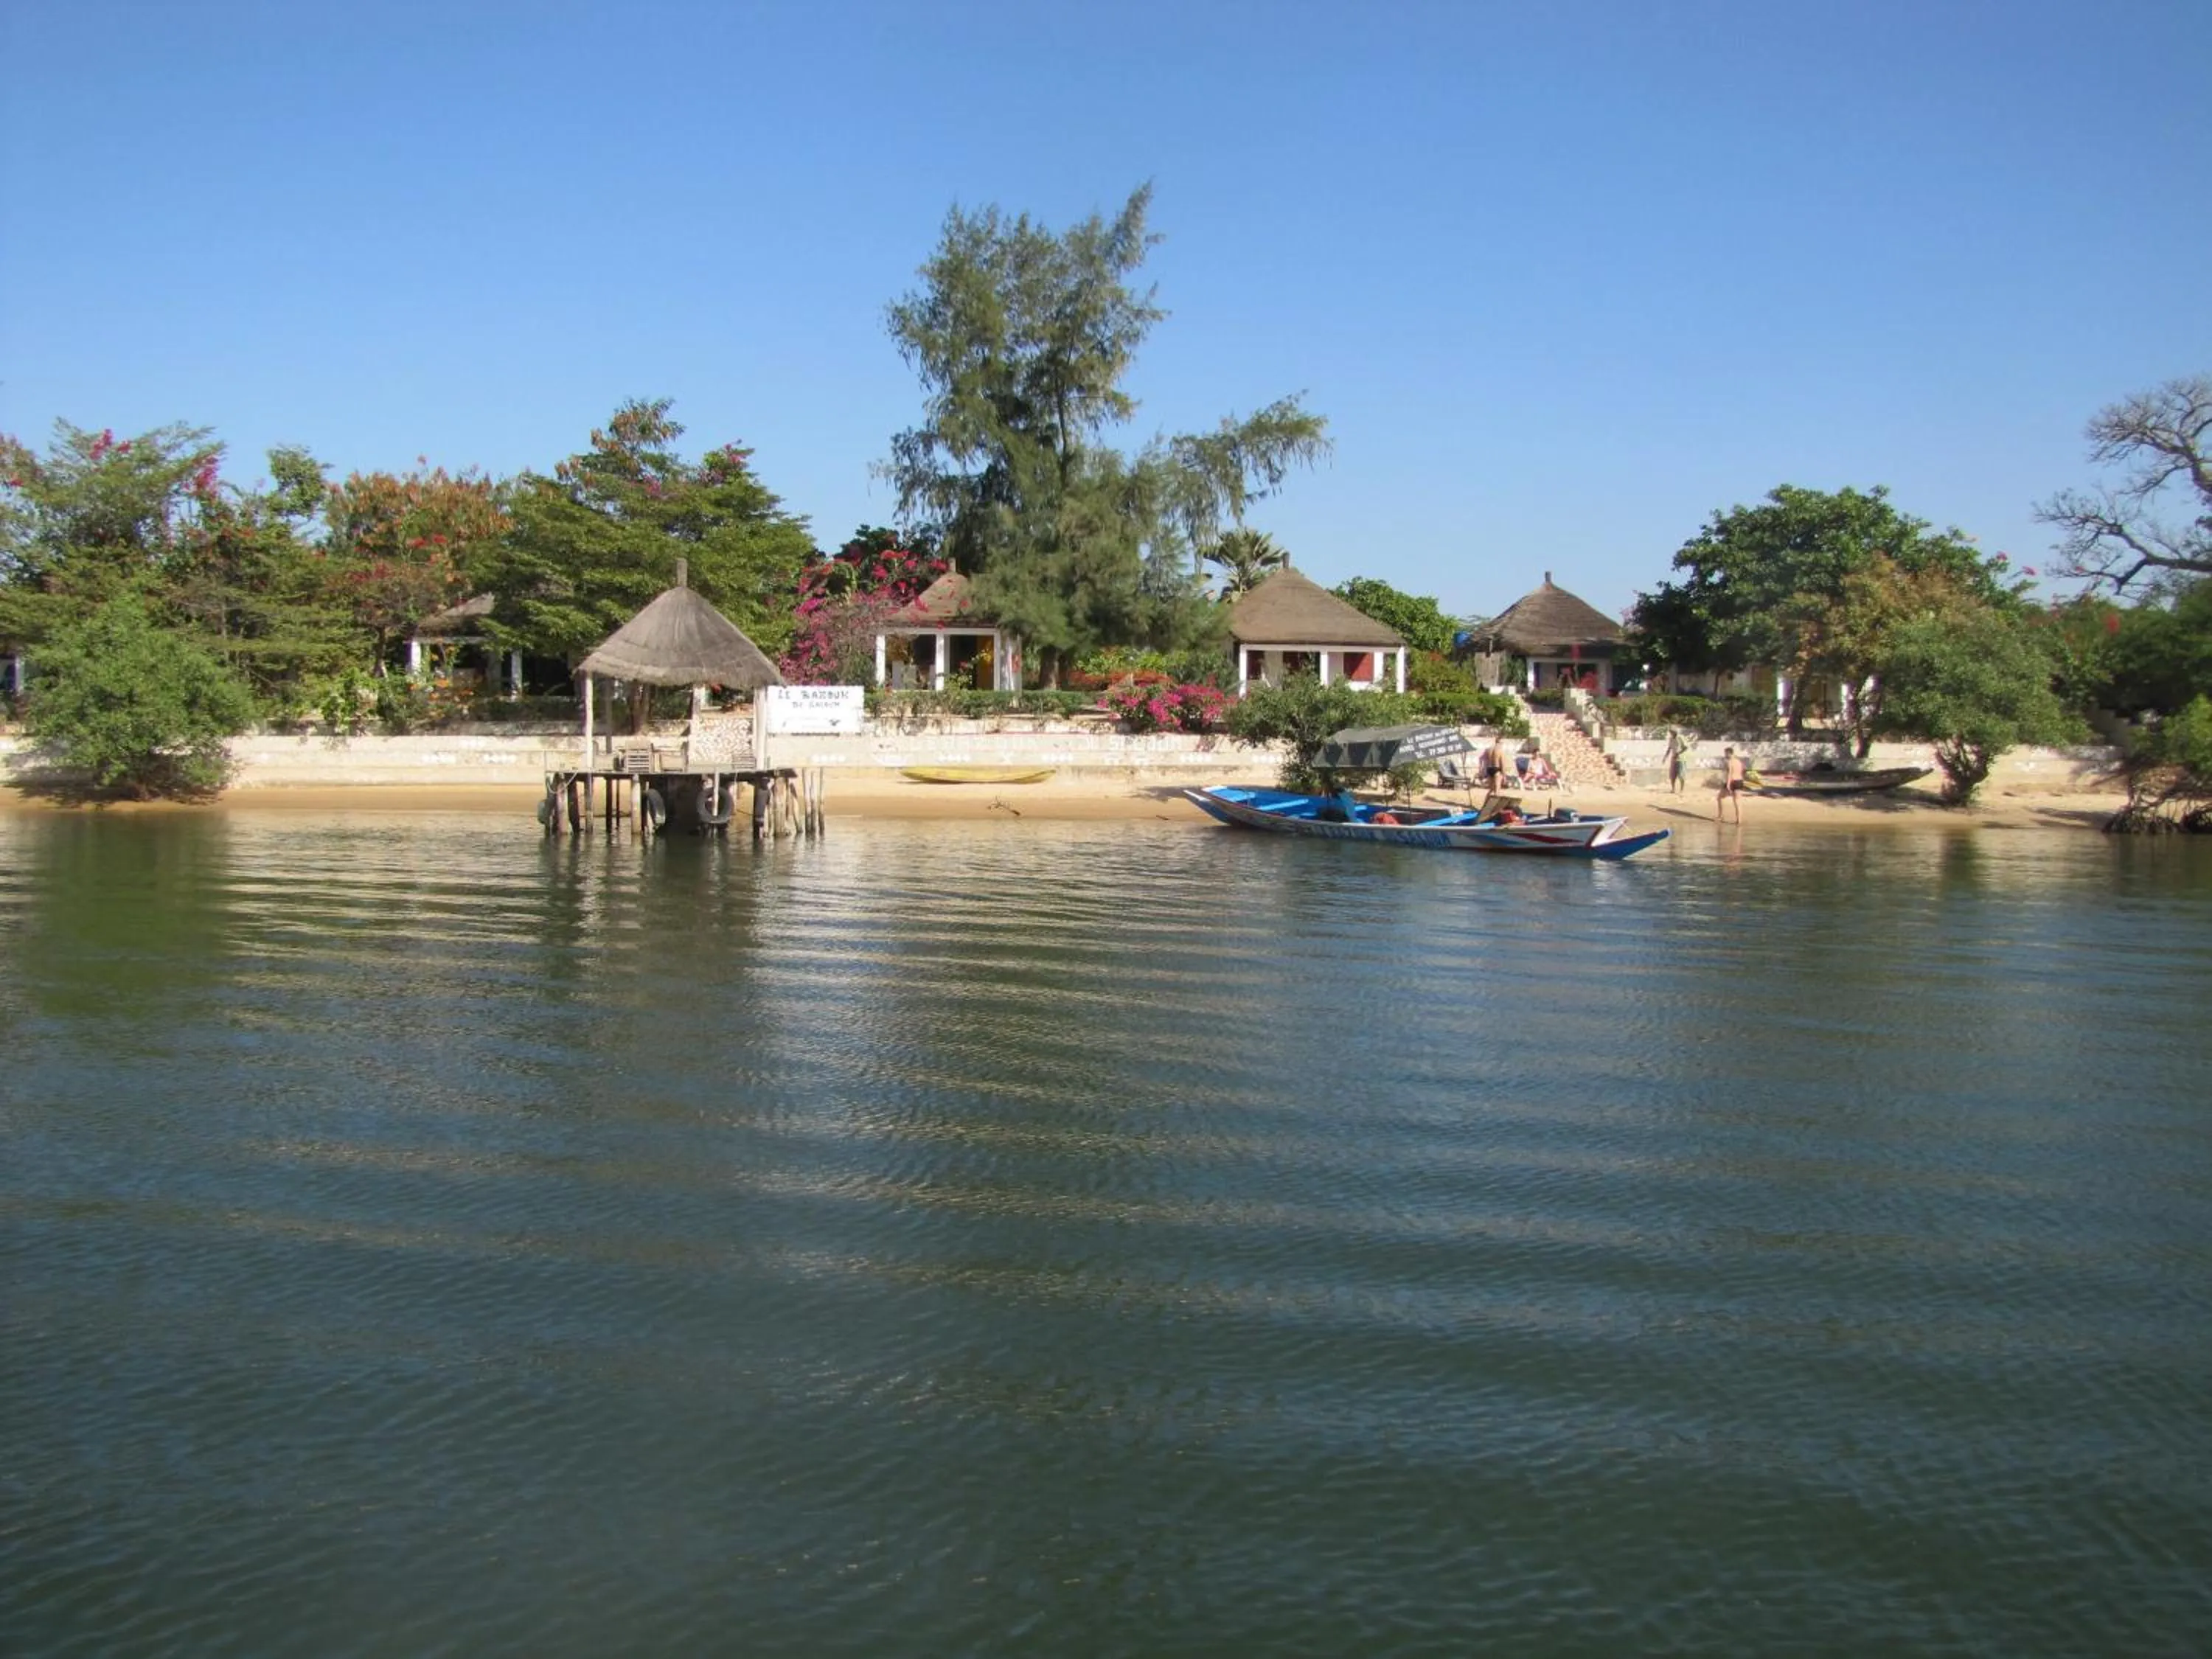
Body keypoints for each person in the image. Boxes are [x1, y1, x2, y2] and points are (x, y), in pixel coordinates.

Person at [1717, 745, 1746, 822]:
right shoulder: (1739, 762)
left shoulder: (1730, 762)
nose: (1725, 755)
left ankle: (1721, 816)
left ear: (1729, 753)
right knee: (1737, 801)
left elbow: (1730, 773)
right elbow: (1741, 772)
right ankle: (1739, 820)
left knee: (1719, 798)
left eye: (1726, 754)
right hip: (1739, 781)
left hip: (1732, 781)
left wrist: (1728, 785)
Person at [1663, 727, 1687, 795]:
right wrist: (1665, 757)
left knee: (1681, 775)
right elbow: (1669, 748)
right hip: (1673, 759)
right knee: (1672, 775)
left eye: (1672, 732)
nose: (1671, 733)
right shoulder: (1671, 739)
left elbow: (1685, 747)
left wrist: (1678, 753)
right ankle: (1673, 789)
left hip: (1681, 759)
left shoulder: (1680, 738)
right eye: (1671, 732)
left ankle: (1682, 790)